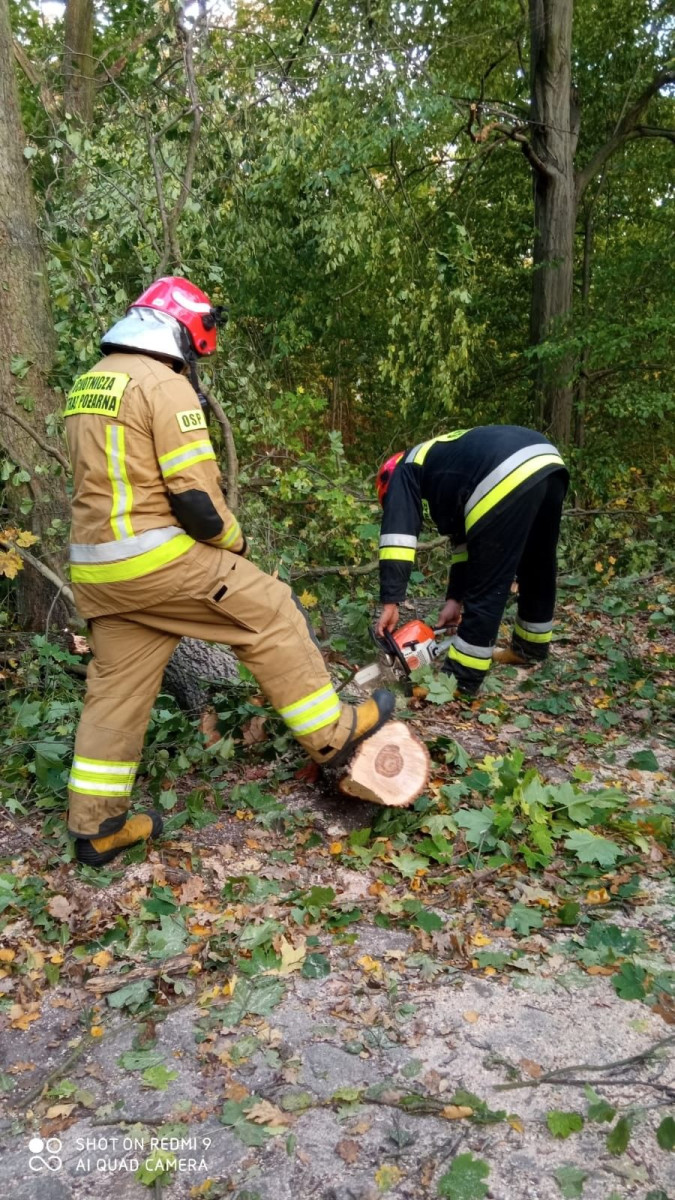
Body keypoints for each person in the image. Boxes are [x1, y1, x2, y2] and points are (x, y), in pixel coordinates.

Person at [65, 276, 395, 867]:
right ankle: (333, 734)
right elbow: (195, 500)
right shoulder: (162, 385)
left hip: (98, 571)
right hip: (156, 559)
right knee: (269, 608)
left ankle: (97, 827)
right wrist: (232, 541)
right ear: (184, 333)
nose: (193, 362)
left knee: (115, 694)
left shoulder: (89, 385)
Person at [374, 426, 569, 696]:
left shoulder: (402, 472)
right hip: (547, 461)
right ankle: (530, 648)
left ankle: (460, 681)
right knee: (537, 562)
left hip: (505, 470)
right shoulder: (444, 464)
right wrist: (455, 599)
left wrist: (390, 601)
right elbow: (466, 542)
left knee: (488, 580)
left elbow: (398, 537)